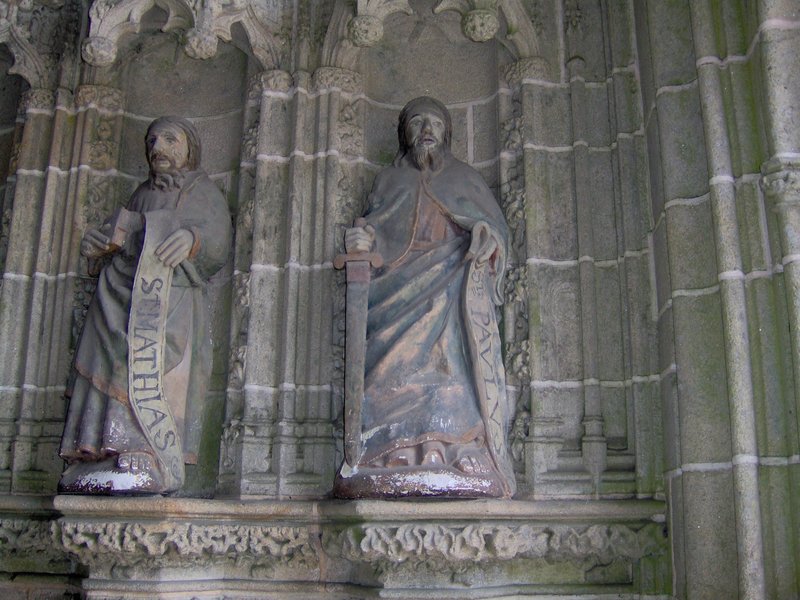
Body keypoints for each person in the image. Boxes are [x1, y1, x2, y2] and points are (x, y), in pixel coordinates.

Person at [335, 96, 516, 498]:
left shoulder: (465, 179)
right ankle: (383, 453)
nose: (426, 130)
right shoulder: (388, 181)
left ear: (447, 133)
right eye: (417, 123)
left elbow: (495, 231)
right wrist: (363, 239)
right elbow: (377, 232)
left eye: (434, 122)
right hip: (394, 290)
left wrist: (487, 238)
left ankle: (455, 450)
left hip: (449, 284)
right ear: (405, 135)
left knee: (450, 366)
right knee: (386, 369)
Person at [59, 116, 232, 494]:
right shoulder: (140, 193)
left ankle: (147, 451)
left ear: (190, 149)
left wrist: (191, 238)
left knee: (153, 367)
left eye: (170, 139)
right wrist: (101, 245)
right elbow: (124, 233)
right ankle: (101, 448)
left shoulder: (202, 191)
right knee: (111, 362)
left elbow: (217, 240)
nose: (158, 148)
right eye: (153, 140)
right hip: (119, 298)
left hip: (170, 302)